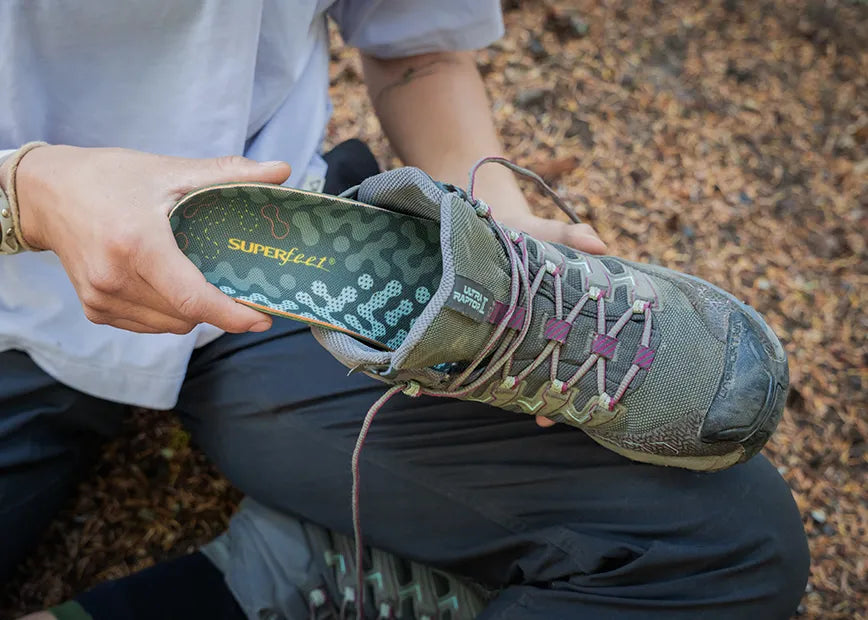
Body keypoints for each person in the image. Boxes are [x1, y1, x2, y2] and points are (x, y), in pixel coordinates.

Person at [1, 2, 809, 619]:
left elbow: (415, 45)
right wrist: (32, 194)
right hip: (10, 312)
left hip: (282, 264)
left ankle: (284, 562)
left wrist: (495, 216)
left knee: (731, 541)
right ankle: (293, 562)